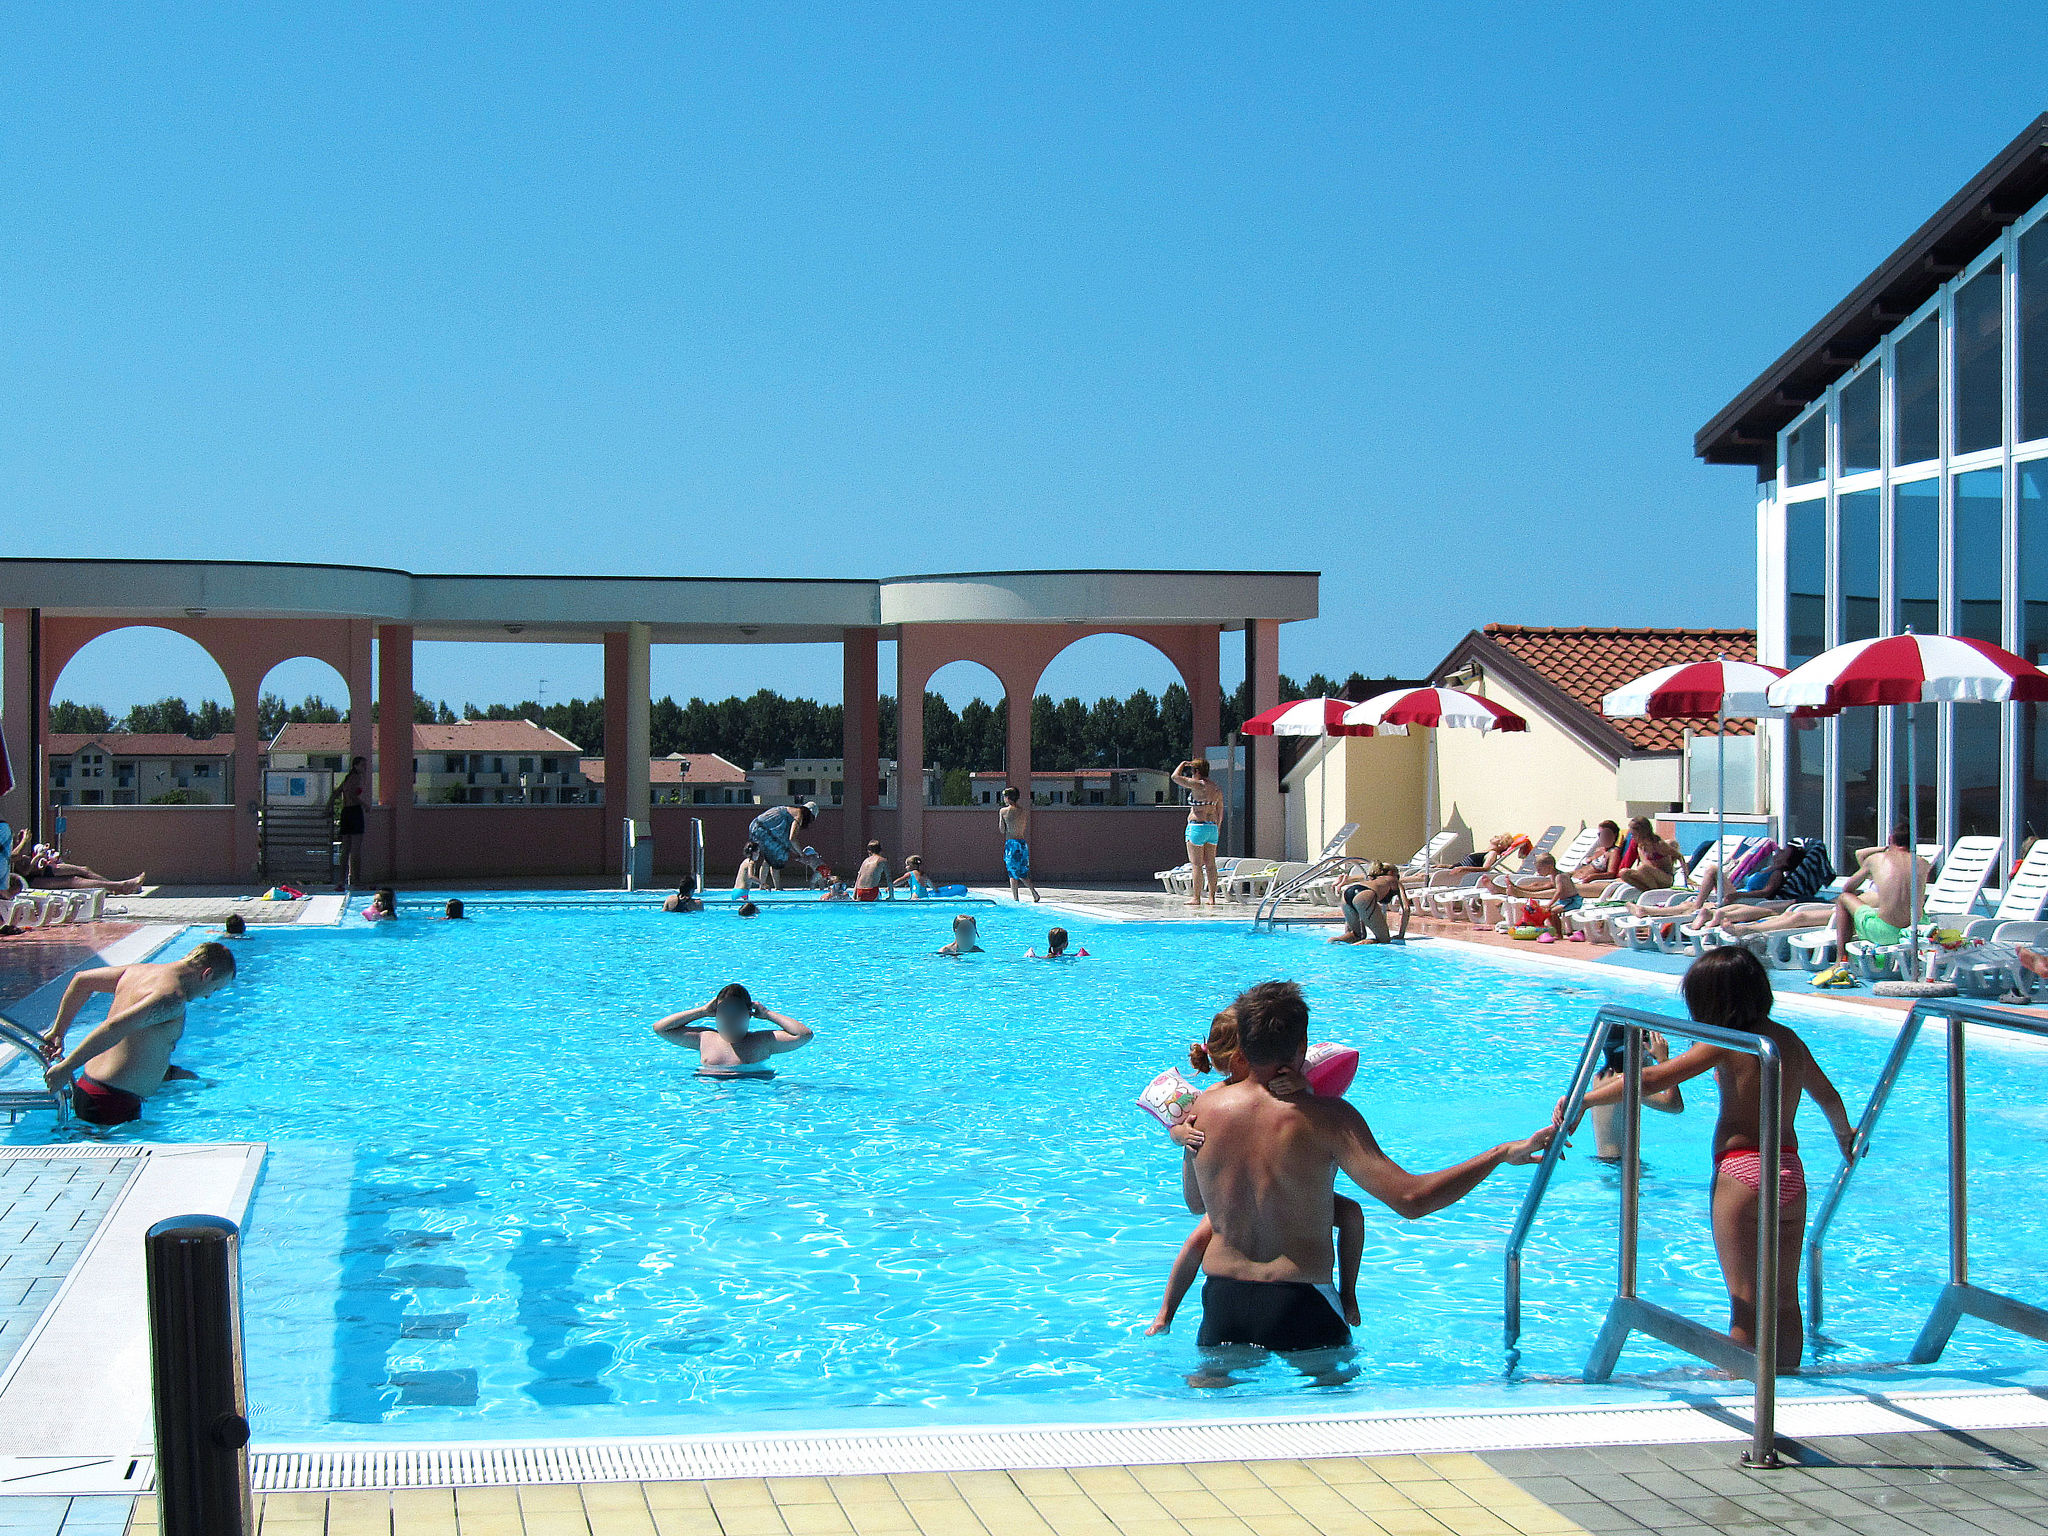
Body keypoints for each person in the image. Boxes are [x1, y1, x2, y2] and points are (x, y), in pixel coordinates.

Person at [1178, 980, 1552, 1357]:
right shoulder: (1328, 1118)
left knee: (1215, 1410)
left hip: (1223, 1301)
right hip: (1302, 1301)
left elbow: (1196, 1203)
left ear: (1242, 1044)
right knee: (1330, 1410)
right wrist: (1500, 1154)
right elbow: (1412, 1200)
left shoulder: (1205, 1109)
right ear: (1302, 1046)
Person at [1560, 948, 1856, 1369]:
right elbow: (1829, 1097)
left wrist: (1583, 1099)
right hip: (1790, 1172)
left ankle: (1741, 1386)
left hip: (1741, 1171)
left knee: (1744, 1301)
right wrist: (1845, 1137)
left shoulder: (1726, 1043)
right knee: (1786, 1300)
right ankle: (1789, 1382)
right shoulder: (1788, 1041)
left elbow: (1653, 1077)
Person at [1150, 1008, 1363, 1334]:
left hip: (1224, 1294)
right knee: (1350, 1213)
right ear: (1244, 1057)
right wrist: (1303, 1088)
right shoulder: (1292, 1099)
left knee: (1209, 1378)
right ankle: (1348, 1297)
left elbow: (1195, 1203)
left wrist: (1180, 1136)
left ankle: (1164, 1315)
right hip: (1301, 1291)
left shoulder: (1208, 1102)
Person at [37, 942, 236, 1126]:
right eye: (215, 988)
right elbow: (114, 1028)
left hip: (92, 1089)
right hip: (111, 1104)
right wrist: (66, 1067)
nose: (209, 996)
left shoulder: (140, 971)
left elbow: (81, 981)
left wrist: (58, 1031)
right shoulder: (172, 998)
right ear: (207, 974)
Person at [651, 982, 814, 1076]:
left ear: (749, 1014)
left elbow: (804, 1035)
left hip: (753, 1102)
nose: (730, 1019)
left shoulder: (763, 1041)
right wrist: (701, 1011)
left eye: (736, 1013)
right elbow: (660, 1029)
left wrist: (768, 1014)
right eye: (724, 1012)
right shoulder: (705, 1038)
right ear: (715, 1014)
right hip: (711, 1102)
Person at [1584, 1027, 1685, 1160]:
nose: (1650, 1054)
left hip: (1607, 1161)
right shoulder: (1624, 1083)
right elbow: (1674, 1105)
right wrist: (1663, 1060)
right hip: (1621, 1166)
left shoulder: (1600, 1077)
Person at [1829, 825, 1929, 957]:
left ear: (1890, 839)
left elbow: (1848, 888)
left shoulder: (1876, 859)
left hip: (1885, 932)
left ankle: (1841, 960)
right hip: (1917, 930)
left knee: (1844, 898)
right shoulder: (1923, 863)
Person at [10, 831, 144, 894]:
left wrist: (41, 857)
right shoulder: (10, 853)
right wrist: (25, 842)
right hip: (31, 880)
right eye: (15, 839)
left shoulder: (16, 849)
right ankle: (121, 886)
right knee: (74, 881)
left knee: (83, 869)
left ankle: (114, 887)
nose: (16, 840)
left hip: (42, 870)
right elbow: (25, 870)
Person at [1170, 758, 1225, 908]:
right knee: (1211, 865)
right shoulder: (1216, 789)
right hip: (1212, 828)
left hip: (1197, 827)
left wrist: (1182, 764)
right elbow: (1220, 810)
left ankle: (1196, 897)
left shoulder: (1197, 785)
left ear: (1197, 771)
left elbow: (1175, 777)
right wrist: (1218, 828)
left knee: (1196, 865)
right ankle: (1212, 897)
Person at [745, 802, 819, 888]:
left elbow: (788, 843)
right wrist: (802, 855)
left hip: (756, 826)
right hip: (764, 830)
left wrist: (799, 854)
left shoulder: (790, 812)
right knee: (778, 856)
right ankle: (777, 887)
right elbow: (792, 839)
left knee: (769, 859)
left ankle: (763, 886)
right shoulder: (799, 815)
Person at [1331, 861, 1401, 945]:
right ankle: (1356, 945)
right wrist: (1401, 934)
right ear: (1391, 872)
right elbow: (1406, 908)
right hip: (1364, 895)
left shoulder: (1371, 879)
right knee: (1384, 940)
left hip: (1348, 893)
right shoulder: (1393, 880)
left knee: (1356, 935)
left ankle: (1333, 940)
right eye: (1398, 875)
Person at [1519, 854, 1582, 942]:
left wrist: (1549, 904)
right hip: (1564, 901)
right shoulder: (1553, 875)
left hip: (1573, 900)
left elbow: (1559, 892)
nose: (1538, 872)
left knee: (1552, 911)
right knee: (1547, 912)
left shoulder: (1559, 876)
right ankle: (1554, 931)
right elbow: (1552, 886)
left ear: (1550, 867)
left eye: (1540, 869)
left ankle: (1559, 934)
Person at [1616, 817, 1681, 893]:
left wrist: (1686, 878)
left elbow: (1679, 856)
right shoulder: (1640, 847)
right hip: (1650, 878)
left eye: (1633, 834)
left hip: (1665, 879)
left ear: (1641, 833)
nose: (1632, 837)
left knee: (1642, 868)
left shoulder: (1658, 845)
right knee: (1623, 873)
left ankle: (1654, 893)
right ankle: (1647, 892)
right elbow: (1647, 866)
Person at [999, 787, 1041, 904]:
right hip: (1022, 844)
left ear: (1007, 797)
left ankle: (1015, 899)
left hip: (1012, 844)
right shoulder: (1023, 811)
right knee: (1022, 872)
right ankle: (1034, 892)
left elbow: (1002, 830)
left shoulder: (1003, 811)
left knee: (1012, 873)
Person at [331, 756, 367, 892]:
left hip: (345, 812)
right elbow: (352, 795)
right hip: (354, 812)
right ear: (356, 766)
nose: (365, 768)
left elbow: (337, 792)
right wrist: (365, 805)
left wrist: (329, 806)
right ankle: (356, 880)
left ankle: (341, 880)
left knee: (345, 850)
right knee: (355, 850)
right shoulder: (356, 778)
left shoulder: (347, 778)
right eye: (363, 765)